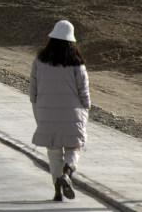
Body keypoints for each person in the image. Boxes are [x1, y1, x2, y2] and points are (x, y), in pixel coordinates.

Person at [29, 19, 90, 202]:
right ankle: (67, 173)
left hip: (46, 114)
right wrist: (85, 110)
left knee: (54, 152)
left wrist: (38, 111)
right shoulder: (77, 63)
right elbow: (84, 92)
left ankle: (57, 191)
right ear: (71, 41)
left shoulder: (39, 60)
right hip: (72, 113)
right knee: (74, 147)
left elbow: (33, 91)